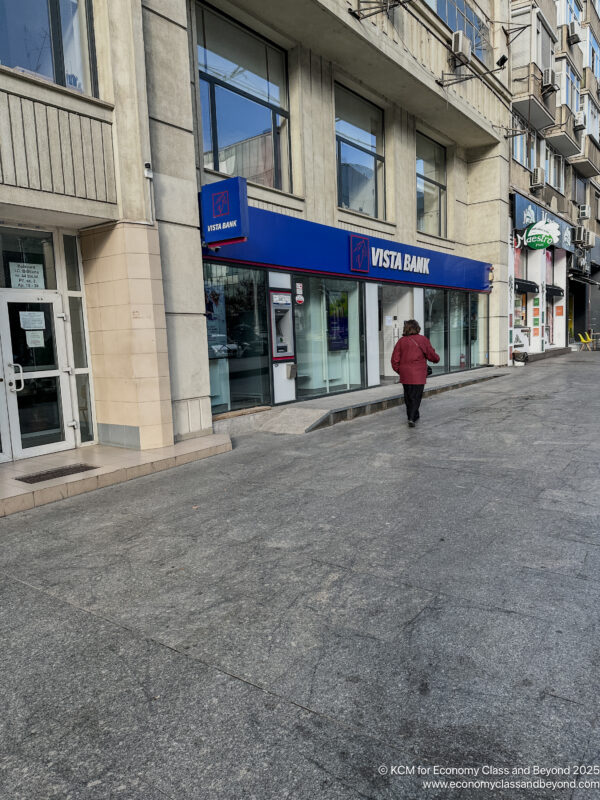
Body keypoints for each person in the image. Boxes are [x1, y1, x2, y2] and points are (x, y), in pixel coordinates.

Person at [391, 319, 440, 428]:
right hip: (418, 375)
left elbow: (394, 360)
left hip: (405, 375)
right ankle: (412, 418)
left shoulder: (401, 341)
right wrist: (437, 359)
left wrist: (400, 370)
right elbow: (431, 354)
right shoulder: (423, 340)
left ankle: (414, 416)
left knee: (408, 397)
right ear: (417, 328)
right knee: (416, 397)